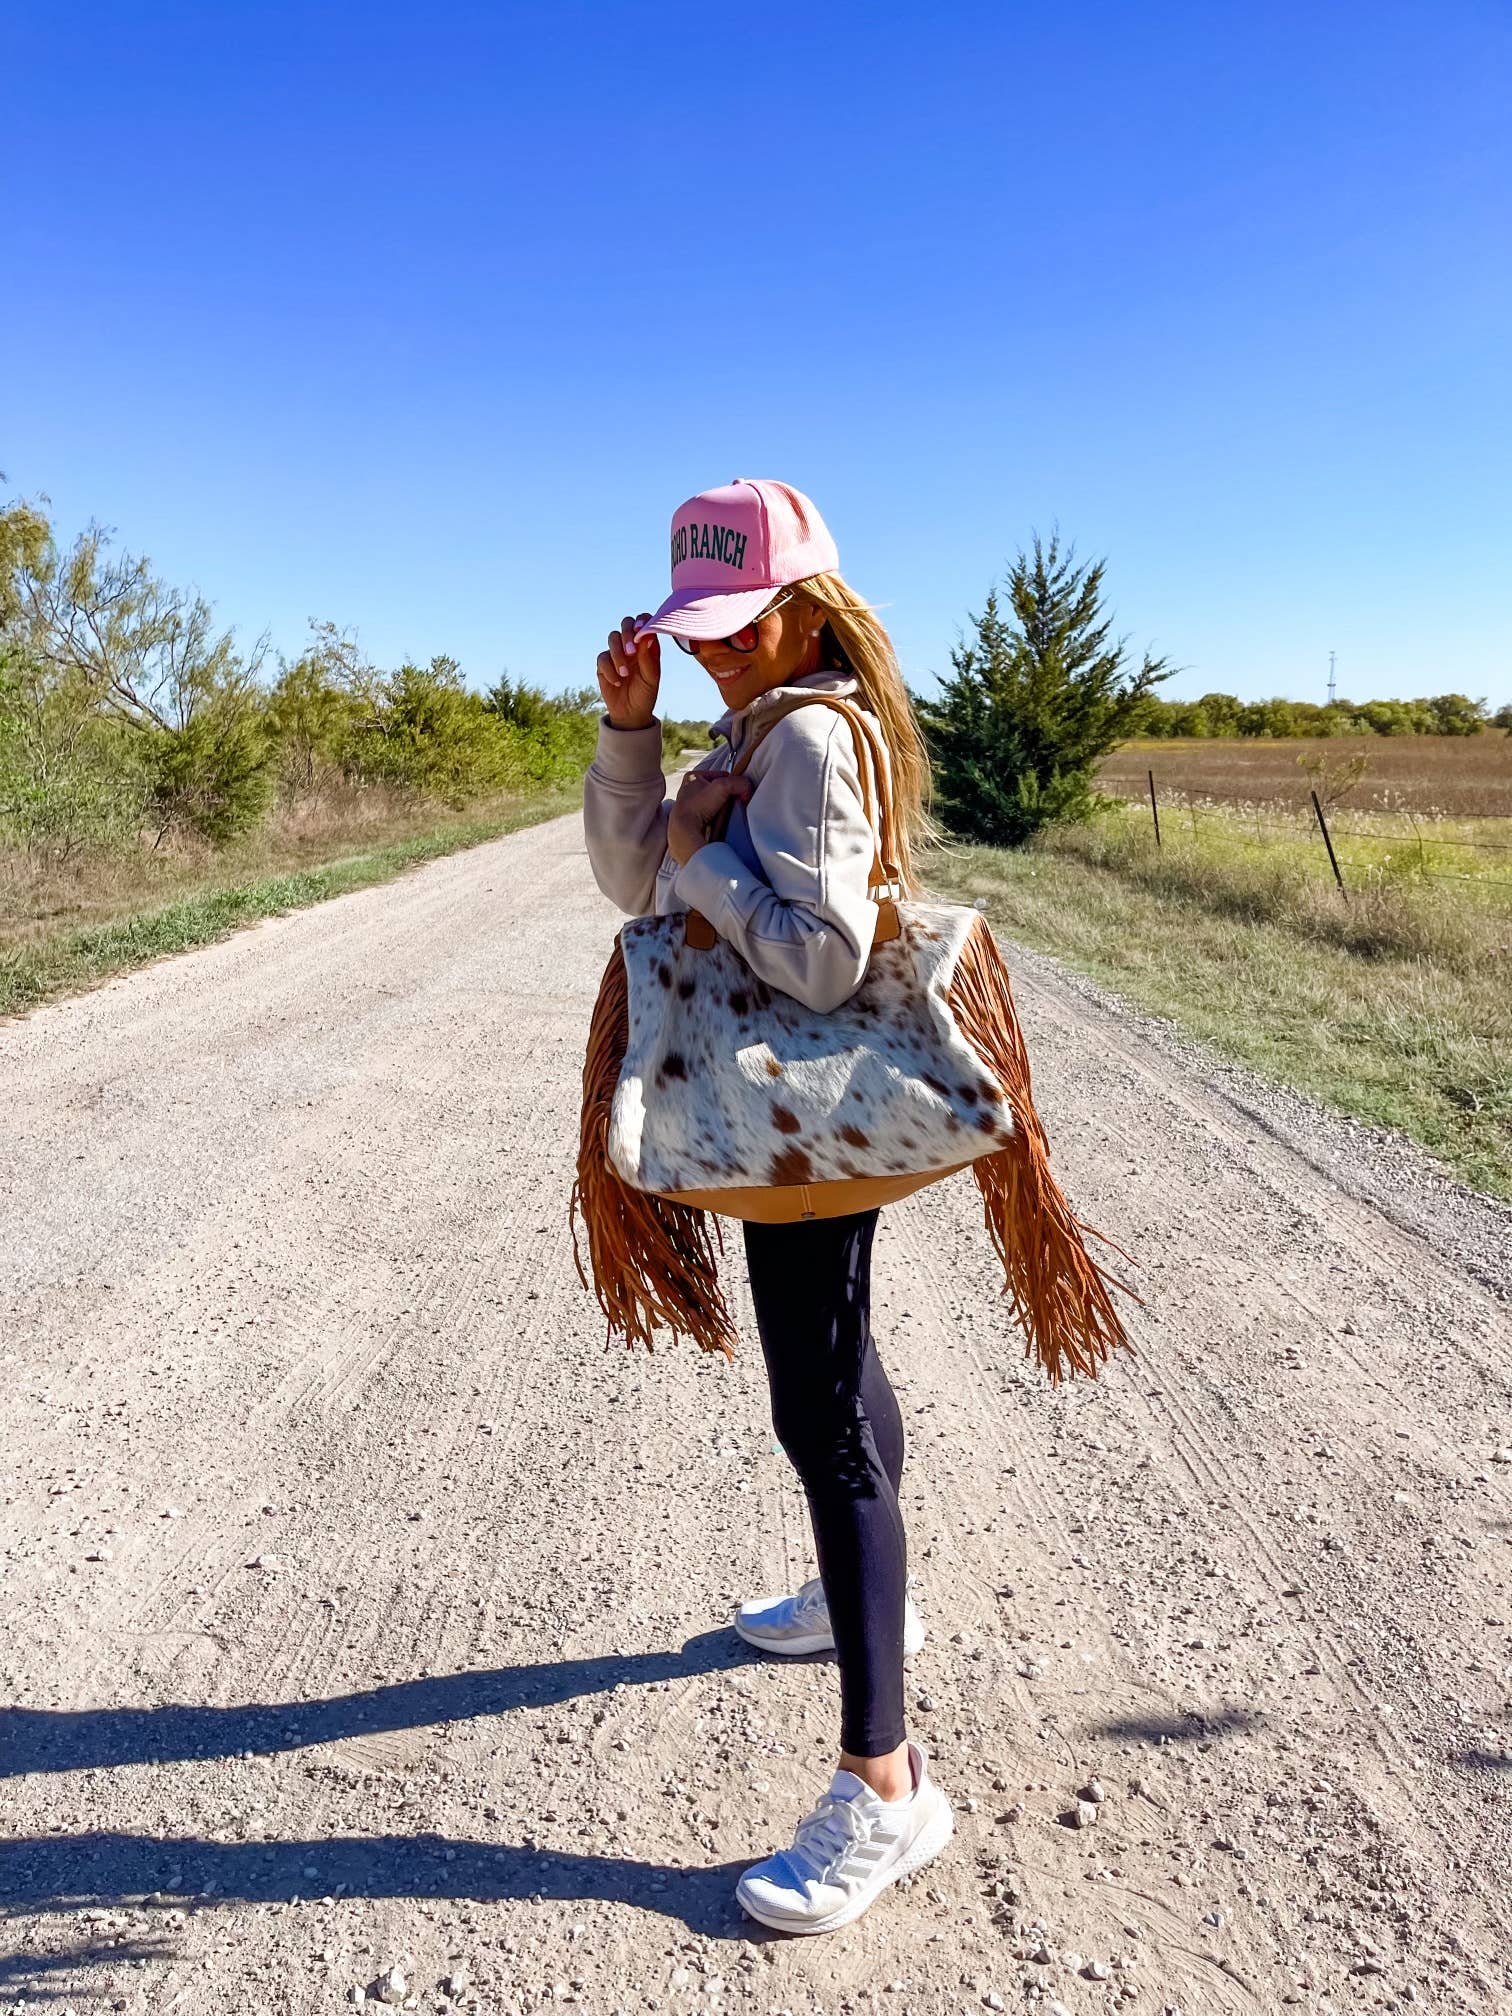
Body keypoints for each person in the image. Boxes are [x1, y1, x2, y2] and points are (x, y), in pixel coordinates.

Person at [581, 478, 954, 1935]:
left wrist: (704, 857)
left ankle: (886, 1786)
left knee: (818, 1411)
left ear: (806, 609)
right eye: (702, 631)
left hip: (798, 1100)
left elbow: (819, 955)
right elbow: (630, 877)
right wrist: (633, 738)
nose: (719, 651)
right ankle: (868, 1603)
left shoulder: (801, 732)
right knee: (836, 1375)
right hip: (779, 1108)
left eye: (742, 627)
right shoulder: (751, 726)